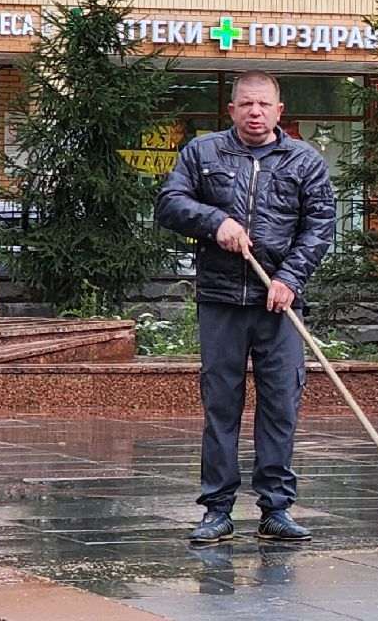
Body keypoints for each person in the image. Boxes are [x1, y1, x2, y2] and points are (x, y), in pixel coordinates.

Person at [156, 71, 337, 546]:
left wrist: (289, 279)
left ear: (280, 111)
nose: (254, 112)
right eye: (245, 104)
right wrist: (215, 222)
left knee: (280, 404)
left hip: (278, 304)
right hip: (221, 299)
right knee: (221, 405)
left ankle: (276, 508)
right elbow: (170, 203)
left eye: (263, 104)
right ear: (232, 110)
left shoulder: (304, 161)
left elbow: (320, 227)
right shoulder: (202, 153)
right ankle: (217, 510)